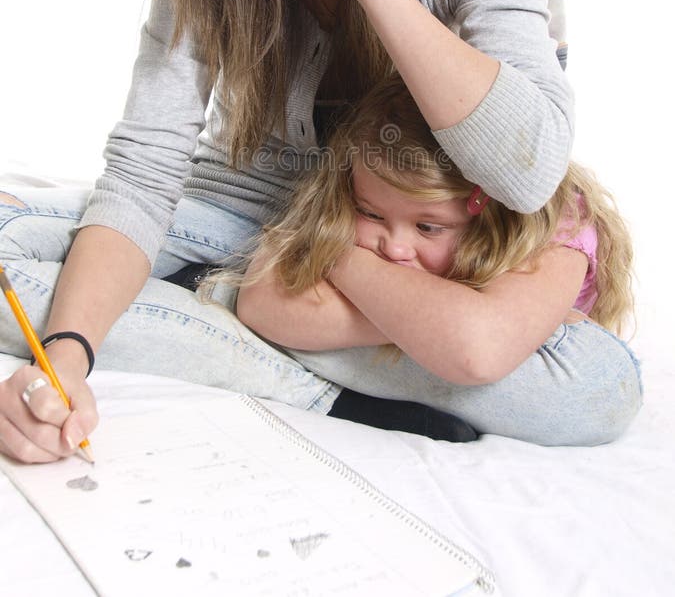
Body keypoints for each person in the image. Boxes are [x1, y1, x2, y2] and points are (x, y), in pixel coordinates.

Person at [0, 0, 573, 463]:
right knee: (18, 255)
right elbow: (144, 175)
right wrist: (65, 358)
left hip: (396, 258)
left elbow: (529, 172)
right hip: (238, 223)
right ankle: (313, 376)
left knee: (587, 387)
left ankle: (226, 310)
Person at [228, 75, 641, 446]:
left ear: (487, 207)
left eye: (428, 228)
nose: (394, 248)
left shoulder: (552, 221)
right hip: (430, 349)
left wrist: (340, 259)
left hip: (506, 356)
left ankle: (322, 375)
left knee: (597, 388)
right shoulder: (341, 206)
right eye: (370, 214)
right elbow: (260, 303)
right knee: (259, 310)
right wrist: (425, 322)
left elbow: (476, 350)